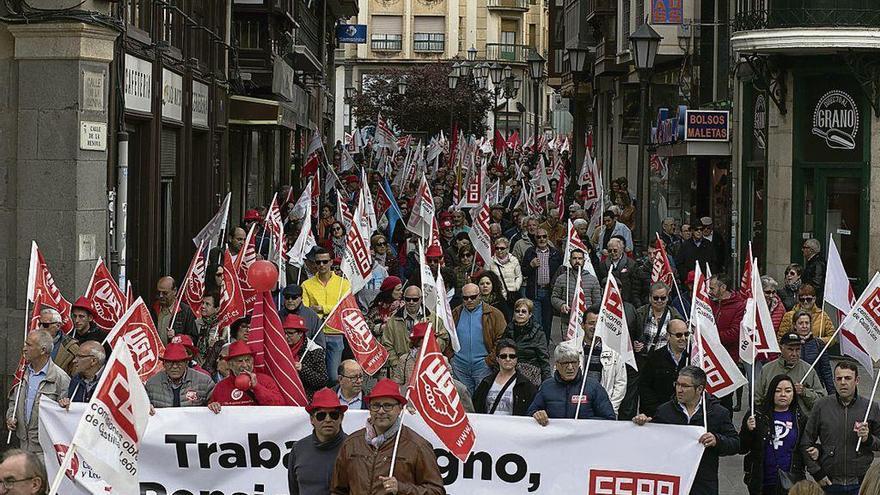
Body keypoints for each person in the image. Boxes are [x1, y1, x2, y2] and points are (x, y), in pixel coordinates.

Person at [632, 366, 740, 495]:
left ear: (699, 389)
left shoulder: (717, 412)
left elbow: (735, 443)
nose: (679, 390)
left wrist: (717, 440)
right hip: (672, 481)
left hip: (703, 483)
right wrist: (644, 425)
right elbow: (653, 444)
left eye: (684, 386)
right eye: (677, 384)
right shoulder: (664, 411)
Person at [330, 379, 445, 495]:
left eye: (388, 406)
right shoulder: (351, 443)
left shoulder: (418, 446)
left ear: (400, 408)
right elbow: (338, 490)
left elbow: (437, 491)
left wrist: (401, 489)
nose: (381, 411)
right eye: (376, 405)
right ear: (369, 408)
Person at [801, 360, 880, 494]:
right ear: (834, 381)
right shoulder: (821, 406)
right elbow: (805, 443)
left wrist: (868, 439)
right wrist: (817, 473)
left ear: (857, 380)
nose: (843, 382)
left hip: (860, 484)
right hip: (830, 483)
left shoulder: (870, 407)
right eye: (839, 378)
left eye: (848, 378)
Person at [740, 374, 806, 495]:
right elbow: (742, 447)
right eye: (778, 391)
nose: (783, 395)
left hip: (791, 481)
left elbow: (806, 445)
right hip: (762, 480)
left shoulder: (800, 418)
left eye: (788, 391)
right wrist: (748, 430)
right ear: (771, 392)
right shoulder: (756, 414)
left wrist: (816, 450)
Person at [5, 330, 70, 454]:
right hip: (22, 444)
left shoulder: (61, 378)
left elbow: (64, 416)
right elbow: (14, 401)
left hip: (46, 450)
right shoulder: (22, 373)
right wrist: (10, 417)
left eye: (29, 345)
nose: (24, 349)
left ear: (43, 350)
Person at [528, 342, 616, 424]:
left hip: (584, 439)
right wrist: (537, 414)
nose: (570, 367)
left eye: (574, 362)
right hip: (556, 439)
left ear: (579, 363)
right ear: (557, 365)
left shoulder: (593, 386)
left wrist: (584, 423)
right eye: (565, 363)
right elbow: (530, 414)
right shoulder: (546, 386)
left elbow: (609, 419)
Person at [301, 248, 352, 385]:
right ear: (315, 264)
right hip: (316, 334)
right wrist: (330, 309)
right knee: (317, 374)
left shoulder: (343, 284)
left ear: (331, 262)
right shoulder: (306, 285)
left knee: (334, 377)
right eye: (318, 262)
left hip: (336, 333)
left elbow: (344, 308)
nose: (321, 265)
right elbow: (306, 310)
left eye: (325, 261)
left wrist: (321, 308)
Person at [288, 388, 349, 495]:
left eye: (333, 415)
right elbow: (294, 490)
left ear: (341, 418)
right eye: (321, 415)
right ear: (312, 419)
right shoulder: (298, 448)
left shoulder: (352, 447)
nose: (328, 419)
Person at [452, 283, 507, 395]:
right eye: (465, 298)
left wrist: (489, 360)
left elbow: (502, 339)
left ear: (480, 295)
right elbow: (447, 335)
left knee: (482, 400)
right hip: (459, 365)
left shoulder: (494, 314)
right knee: (463, 401)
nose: (469, 300)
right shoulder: (455, 313)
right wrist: (451, 357)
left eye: (473, 297)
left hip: (483, 365)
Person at [754, 332, 826, 415]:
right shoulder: (767, 370)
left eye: (798, 349)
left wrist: (804, 392)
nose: (794, 354)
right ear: (781, 348)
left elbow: (821, 402)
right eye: (790, 349)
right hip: (771, 420)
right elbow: (757, 399)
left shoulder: (808, 370)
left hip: (801, 423)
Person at [381, 286, 449, 373]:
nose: (411, 302)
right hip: (403, 368)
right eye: (408, 299)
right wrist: (396, 363)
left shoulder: (432, 318)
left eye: (415, 299)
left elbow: (444, 337)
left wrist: (433, 348)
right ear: (404, 299)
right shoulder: (393, 320)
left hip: (428, 367)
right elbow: (386, 344)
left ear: (421, 299)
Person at [208, 341, 285, 410]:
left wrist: (257, 387)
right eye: (240, 361)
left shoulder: (266, 381)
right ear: (230, 365)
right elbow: (212, 409)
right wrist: (213, 406)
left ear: (253, 361)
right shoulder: (221, 386)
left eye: (247, 360)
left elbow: (280, 405)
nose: (245, 365)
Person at [579, 304, 627, 415]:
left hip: (603, 407)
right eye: (591, 323)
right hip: (578, 406)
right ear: (582, 325)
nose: (595, 327)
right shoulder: (571, 349)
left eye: (598, 324)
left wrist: (611, 408)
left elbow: (621, 383)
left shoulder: (614, 353)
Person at [639, 318, 690, 416]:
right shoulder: (655, 357)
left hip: (687, 414)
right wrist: (657, 411)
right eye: (679, 335)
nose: (683, 338)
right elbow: (645, 387)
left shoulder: (694, 356)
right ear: (668, 336)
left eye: (686, 334)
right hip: (659, 414)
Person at [473, 340, 537, 416]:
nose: (508, 359)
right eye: (503, 356)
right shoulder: (486, 382)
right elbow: (476, 407)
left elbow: (533, 409)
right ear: (497, 359)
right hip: (489, 426)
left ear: (517, 359)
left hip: (514, 426)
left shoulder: (526, 385)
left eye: (512, 356)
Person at [521, 229, 562, 341]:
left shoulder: (555, 253)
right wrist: (531, 266)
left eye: (544, 236)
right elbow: (523, 271)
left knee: (547, 322)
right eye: (539, 237)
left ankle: (545, 345)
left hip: (550, 292)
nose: (542, 239)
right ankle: (536, 345)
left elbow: (561, 271)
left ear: (548, 237)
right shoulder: (530, 252)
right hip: (535, 292)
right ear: (535, 239)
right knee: (536, 321)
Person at [145, 343, 216, 408]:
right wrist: (146, 408)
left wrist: (214, 405)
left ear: (186, 363)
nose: (175, 366)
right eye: (170, 362)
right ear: (164, 364)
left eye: (179, 362)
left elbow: (216, 402)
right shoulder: (152, 384)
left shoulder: (204, 382)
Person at [502, 298, 551, 383]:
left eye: (524, 311)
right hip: (509, 370)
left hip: (531, 372)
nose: (520, 314)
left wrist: (548, 381)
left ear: (530, 314)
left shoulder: (538, 332)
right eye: (517, 311)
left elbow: (544, 358)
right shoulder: (509, 329)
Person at [550, 248, 602, 323]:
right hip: (567, 321)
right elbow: (554, 298)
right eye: (574, 258)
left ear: (584, 261)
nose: (577, 261)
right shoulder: (561, 278)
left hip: (586, 322)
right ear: (570, 261)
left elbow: (597, 302)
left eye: (580, 258)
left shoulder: (593, 280)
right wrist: (561, 305)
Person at [283, 314, 327, 399]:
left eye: (290, 333)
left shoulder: (314, 350)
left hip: (307, 396)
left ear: (300, 333)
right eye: (284, 332)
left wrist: (303, 369)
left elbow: (322, 380)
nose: (286, 336)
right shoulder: (280, 347)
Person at [790, 310, 834, 394]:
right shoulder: (789, 343)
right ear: (795, 325)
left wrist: (832, 393)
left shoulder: (819, 344)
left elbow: (826, 370)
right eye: (801, 323)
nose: (804, 326)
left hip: (814, 388)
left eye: (807, 323)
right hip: (793, 388)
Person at [153, 276, 199, 345]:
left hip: (175, 354)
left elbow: (194, 339)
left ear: (174, 291)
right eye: (159, 292)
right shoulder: (153, 308)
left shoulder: (185, 311)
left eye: (165, 293)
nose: (161, 296)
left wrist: (177, 337)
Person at [58, 341, 105, 405]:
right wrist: (65, 404)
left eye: (80, 357)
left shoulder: (109, 382)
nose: (74, 361)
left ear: (93, 361)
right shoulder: (75, 380)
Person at [37, 308, 78, 376]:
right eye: (39, 324)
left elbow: (75, 376)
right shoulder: (32, 342)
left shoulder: (71, 348)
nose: (41, 328)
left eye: (45, 325)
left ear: (58, 326)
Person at [488, 237, 522, 304]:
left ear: (507, 249)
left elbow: (519, 276)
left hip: (512, 295)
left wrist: (516, 287)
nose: (499, 250)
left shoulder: (514, 260)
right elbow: (487, 278)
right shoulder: (490, 261)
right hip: (497, 297)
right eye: (497, 248)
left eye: (502, 248)